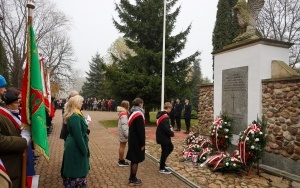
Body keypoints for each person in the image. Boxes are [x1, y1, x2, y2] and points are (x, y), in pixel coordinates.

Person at [0, 75, 29, 188]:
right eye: (2, 87)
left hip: (12, 165)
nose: (5, 90)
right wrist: (23, 141)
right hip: (7, 165)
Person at [61, 95, 90, 187]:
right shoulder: (75, 116)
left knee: (78, 168)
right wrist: (84, 150)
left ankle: (77, 183)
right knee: (76, 169)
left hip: (75, 144)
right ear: (76, 103)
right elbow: (78, 136)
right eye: (81, 102)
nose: (82, 103)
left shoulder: (76, 114)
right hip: (75, 146)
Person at [126, 97, 145, 186]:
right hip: (137, 140)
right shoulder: (139, 115)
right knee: (135, 160)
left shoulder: (132, 112)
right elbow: (140, 131)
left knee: (134, 159)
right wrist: (142, 143)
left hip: (132, 138)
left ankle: (132, 177)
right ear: (140, 103)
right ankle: (132, 178)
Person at [156, 102, 174, 174]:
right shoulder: (165, 117)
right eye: (171, 108)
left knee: (169, 148)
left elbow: (164, 126)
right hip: (164, 136)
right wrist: (171, 133)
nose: (171, 110)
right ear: (168, 108)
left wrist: (169, 127)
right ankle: (162, 168)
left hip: (162, 135)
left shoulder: (162, 115)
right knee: (166, 150)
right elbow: (165, 128)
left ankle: (162, 163)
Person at [117, 100, 130, 167]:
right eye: (128, 105)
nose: (129, 106)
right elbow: (124, 126)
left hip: (121, 132)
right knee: (122, 147)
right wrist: (127, 135)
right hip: (123, 133)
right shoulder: (124, 115)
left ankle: (120, 159)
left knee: (121, 146)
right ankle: (121, 161)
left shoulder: (121, 113)